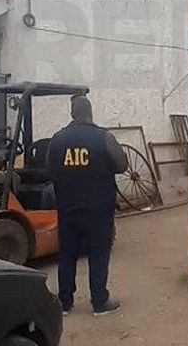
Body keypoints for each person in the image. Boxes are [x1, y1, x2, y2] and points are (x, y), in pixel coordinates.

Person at [46, 95, 128, 316]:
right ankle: (99, 302)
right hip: (98, 210)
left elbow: (50, 169)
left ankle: (64, 303)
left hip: (68, 209)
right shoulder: (103, 137)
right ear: (90, 112)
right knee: (98, 255)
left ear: (72, 113)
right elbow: (122, 165)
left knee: (67, 255)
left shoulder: (57, 139)